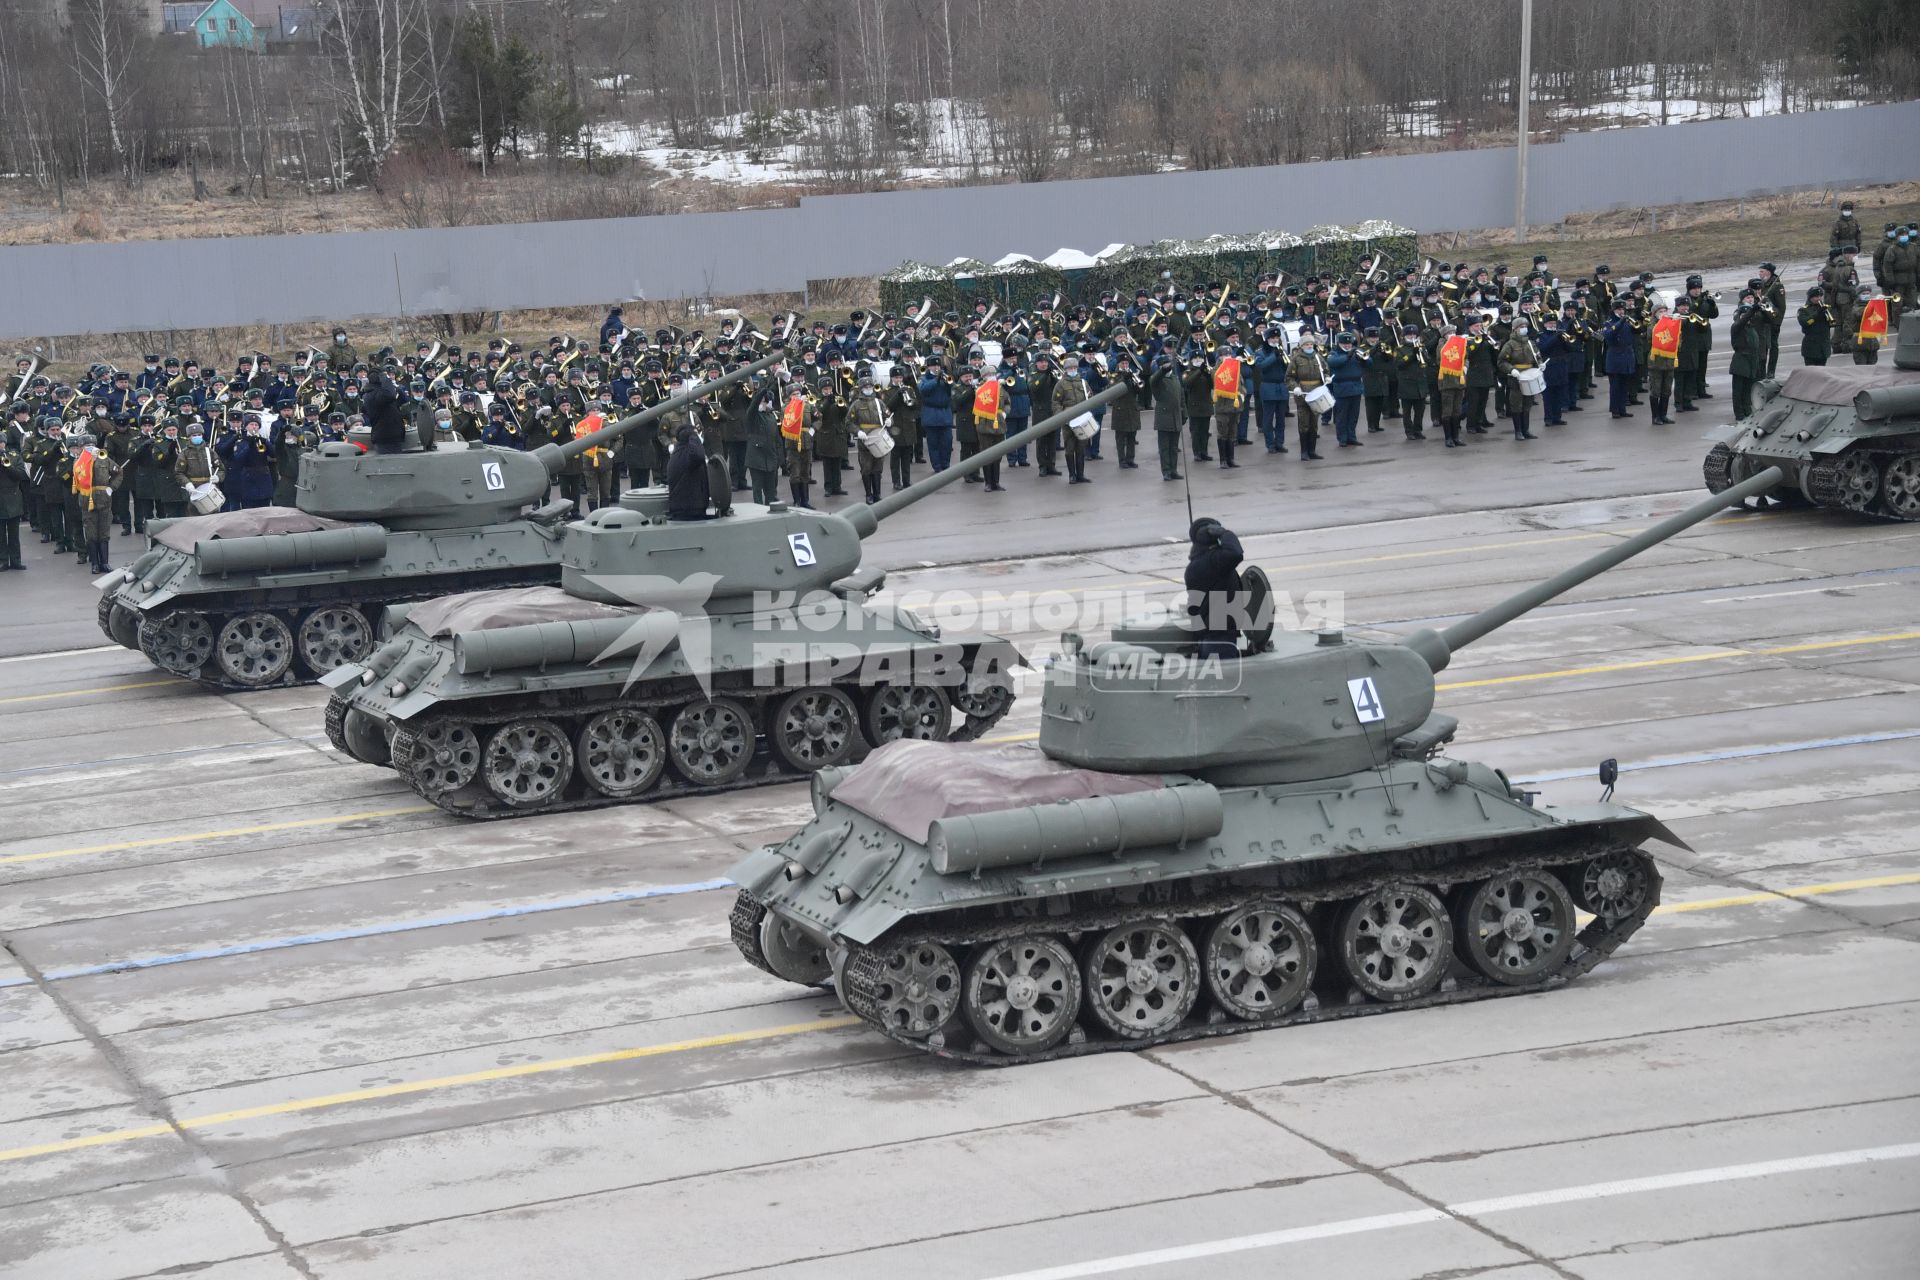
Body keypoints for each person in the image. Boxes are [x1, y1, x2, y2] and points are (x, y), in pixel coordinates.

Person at [1184, 518, 1244, 661]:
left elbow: (1193, 607)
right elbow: (1236, 553)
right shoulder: (1214, 561)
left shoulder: (1194, 566)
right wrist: (1225, 533)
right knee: (1226, 681)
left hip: (1208, 637)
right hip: (1220, 638)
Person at [1496, 318, 1541, 440]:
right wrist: (1511, 370)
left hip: (1529, 376)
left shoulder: (1530, 343)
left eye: (1525, 326)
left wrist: (1540, 364)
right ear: (1515, 329)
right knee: (1516, 405)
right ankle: (1518, 431)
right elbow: (1501, 362)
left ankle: (1526, 430)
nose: (1524, 329)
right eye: (1521, 327)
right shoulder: (1509, 344)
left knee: (1527, 405)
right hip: (1516, 378)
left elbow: (1537, 356)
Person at [1148, 349, 1185, 481]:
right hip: (1164, 417)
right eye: (1165, 364)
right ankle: (1166, 471)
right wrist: (1162, 370)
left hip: (1176, 416)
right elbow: (1154, 380)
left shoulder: (1175, 378)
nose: (1168, 367)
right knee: (1164, 447)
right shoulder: (1157, 379)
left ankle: (1174, 470)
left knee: (1174, 447)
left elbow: (1181, 397)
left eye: (1168, 364)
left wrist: (1184, 413)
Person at [1729, 290, 1766, 420]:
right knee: (1738, 390)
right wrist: (1751, 311)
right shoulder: (1737, 326)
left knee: (1747, 389)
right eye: (1744, 314)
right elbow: (1743, 320)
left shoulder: (1752, 329)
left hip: (1751, 361)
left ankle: (1747, 410)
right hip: (1741, 361)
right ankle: (1739, 413)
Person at [665, 424, 710, 519]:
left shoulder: (679, 451)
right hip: (689, 509)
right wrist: (694, 436)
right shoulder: (687, 454)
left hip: (685, 506)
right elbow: (699, 455)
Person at [1327, 333, 1364, 448]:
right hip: (1342, 388)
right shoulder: (1334, 353)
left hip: (1356, 387)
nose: (1347, 346)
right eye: (1344, 343)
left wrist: (1363, 358)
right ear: (1339, 343)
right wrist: (1348, 356)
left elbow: (1369, 362)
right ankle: (1342, 438)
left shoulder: (1356, 353)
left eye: (1349, 343)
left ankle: (1352, 437)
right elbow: (1334, 362)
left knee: (1353, 415)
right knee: (1342, 416)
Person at [1602, 302, 1637, 419]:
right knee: (1615, 386)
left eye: (1623, 309)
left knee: (1624, 385)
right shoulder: (1608, 323)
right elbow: (1609, 335)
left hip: (1627, 356)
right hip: (1615, 357)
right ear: (1613, 310)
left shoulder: (1628, 322)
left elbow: (1638, 330)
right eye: (1619, 310)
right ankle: (1615, 409)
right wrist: (1620, 322)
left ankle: (1622, 409)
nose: (1621, 312)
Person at [362, 371, 407, 454]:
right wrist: (384, 378)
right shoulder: (373, 395)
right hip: (385, 438)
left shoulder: (382, 394)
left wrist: (395, 387)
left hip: (393, 437)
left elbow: (403, 399)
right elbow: (390, 395)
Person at [0, 433, 26, 569]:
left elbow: (21, 475)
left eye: (1, 442)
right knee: (0, 535)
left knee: (14, 534)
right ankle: (3, 561)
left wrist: (7, 466)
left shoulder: (14, 457)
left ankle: (16, 560)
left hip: (13, 498)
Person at [1799, 287, 1834, 367]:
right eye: (1816, 296)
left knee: (1822, 371)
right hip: (1811, 346)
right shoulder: (1804, 310)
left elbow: (1833, 323)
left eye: (1820, 296)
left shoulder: (1826, 308)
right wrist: (1817, 314)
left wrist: (1827, 314)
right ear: (1810, 298)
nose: (1819, 298)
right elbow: (1804, 322)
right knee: (1812, 372)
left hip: (1824, 346)